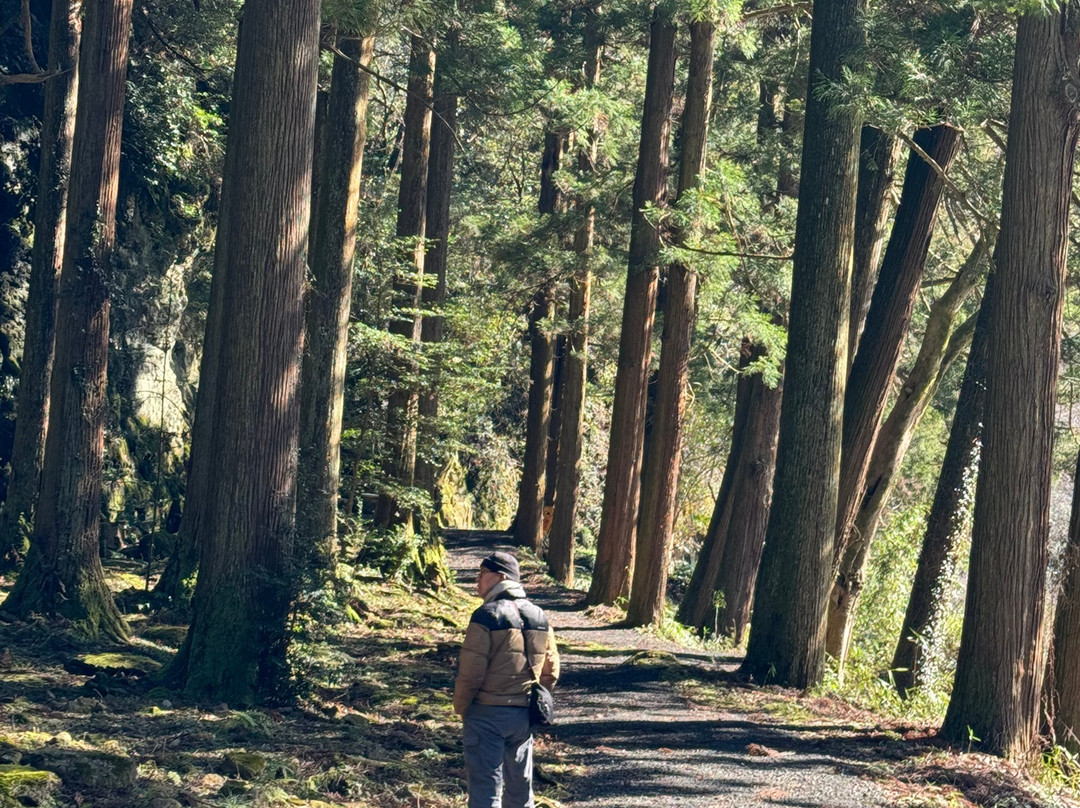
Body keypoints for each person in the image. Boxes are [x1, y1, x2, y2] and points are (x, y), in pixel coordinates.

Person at [454, 551, 560, 808]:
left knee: (485, 790)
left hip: (485, 714)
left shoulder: (485, 616)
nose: (477, 580)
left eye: (482, 574)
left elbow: (471, 673)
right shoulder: (539, 616)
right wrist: (535, 695)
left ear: (500, 577)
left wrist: (461, 707)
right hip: (522, 716)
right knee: (520, 791)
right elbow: (552, 670)